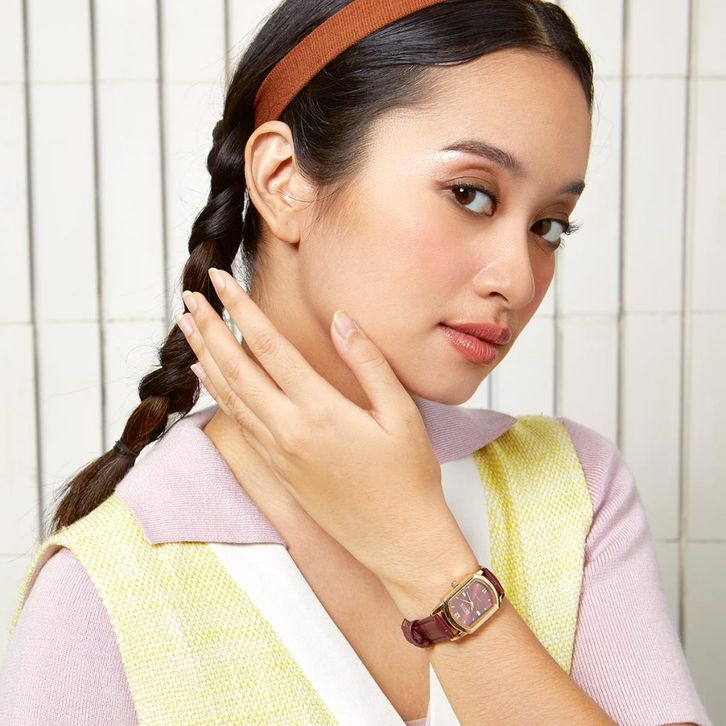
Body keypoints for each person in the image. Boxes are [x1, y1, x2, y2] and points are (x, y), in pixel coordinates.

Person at [0, 0, 713, 724]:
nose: (520, 280)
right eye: (470, 194)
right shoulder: (102, 594)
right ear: (283, 179)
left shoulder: (575, 494)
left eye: (547, 226)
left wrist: (425, 555)